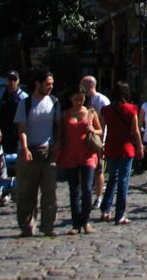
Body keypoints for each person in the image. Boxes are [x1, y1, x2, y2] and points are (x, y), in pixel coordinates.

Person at [14, 69, 61, 237]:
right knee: (27, 193)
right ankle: (27, 225)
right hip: (29, 152)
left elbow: (58, 126)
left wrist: (57, 144)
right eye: (47, 84)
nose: (50, 87)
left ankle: (48, 225)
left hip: (48, 152)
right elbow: (22, 128)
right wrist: (25, 148)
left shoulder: (54, 102)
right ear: (38, 84)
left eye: (52, 84)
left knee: (50, 192)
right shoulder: (25, 103)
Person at [57, 84, 102, 235]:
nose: (79, 102)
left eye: (81, 99)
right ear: (71, 98)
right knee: (73, 189)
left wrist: (93, 130)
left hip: (88, 154)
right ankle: (76, 223)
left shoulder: (90, 112)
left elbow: (100, 130)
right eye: (76, 99)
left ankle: (86, 221)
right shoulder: (66, 114)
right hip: (70, 154)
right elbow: (61, 135)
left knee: (87, 188)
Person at [99, 82, 144, 225]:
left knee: (112, 178)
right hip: (126, 147)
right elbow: (135, 130)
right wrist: (140, 147)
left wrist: (100, 145)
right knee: (123, 181)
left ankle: (105, 210)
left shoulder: (106, 110)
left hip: (111, 147)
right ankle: (120, 214)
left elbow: (102, 129)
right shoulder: (131, 109)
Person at [0, 70, 27, 202]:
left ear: (18, 81)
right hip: (3, 133)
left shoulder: (23, 97)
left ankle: (16, 189)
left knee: (18, 163)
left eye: (14, 79)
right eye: (9, 79)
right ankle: (1, 190)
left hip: (18, 133)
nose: (11, 82)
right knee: (2, 163)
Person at [81, 75, 110, 209]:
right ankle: (86, 194)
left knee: (99, 170)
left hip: (98, 140)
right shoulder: (84, 100)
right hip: (84, 141)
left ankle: (99, 197)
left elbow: (106, 122)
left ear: (89, 85)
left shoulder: (101, 100)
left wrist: (103, 140)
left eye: (83, 84)